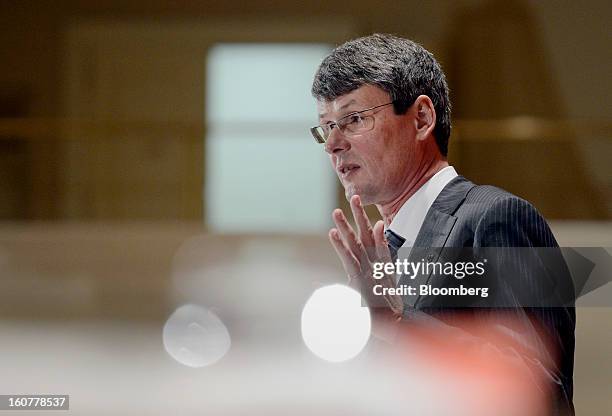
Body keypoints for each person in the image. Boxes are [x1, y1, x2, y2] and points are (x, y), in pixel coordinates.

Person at [310, 34, 575, 415]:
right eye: (326, 126)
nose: (332, 143)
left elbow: (539, 392)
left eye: (353, 119)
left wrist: (399, 323)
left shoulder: (496, 217)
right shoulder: (380, 256)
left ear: (421, 118)